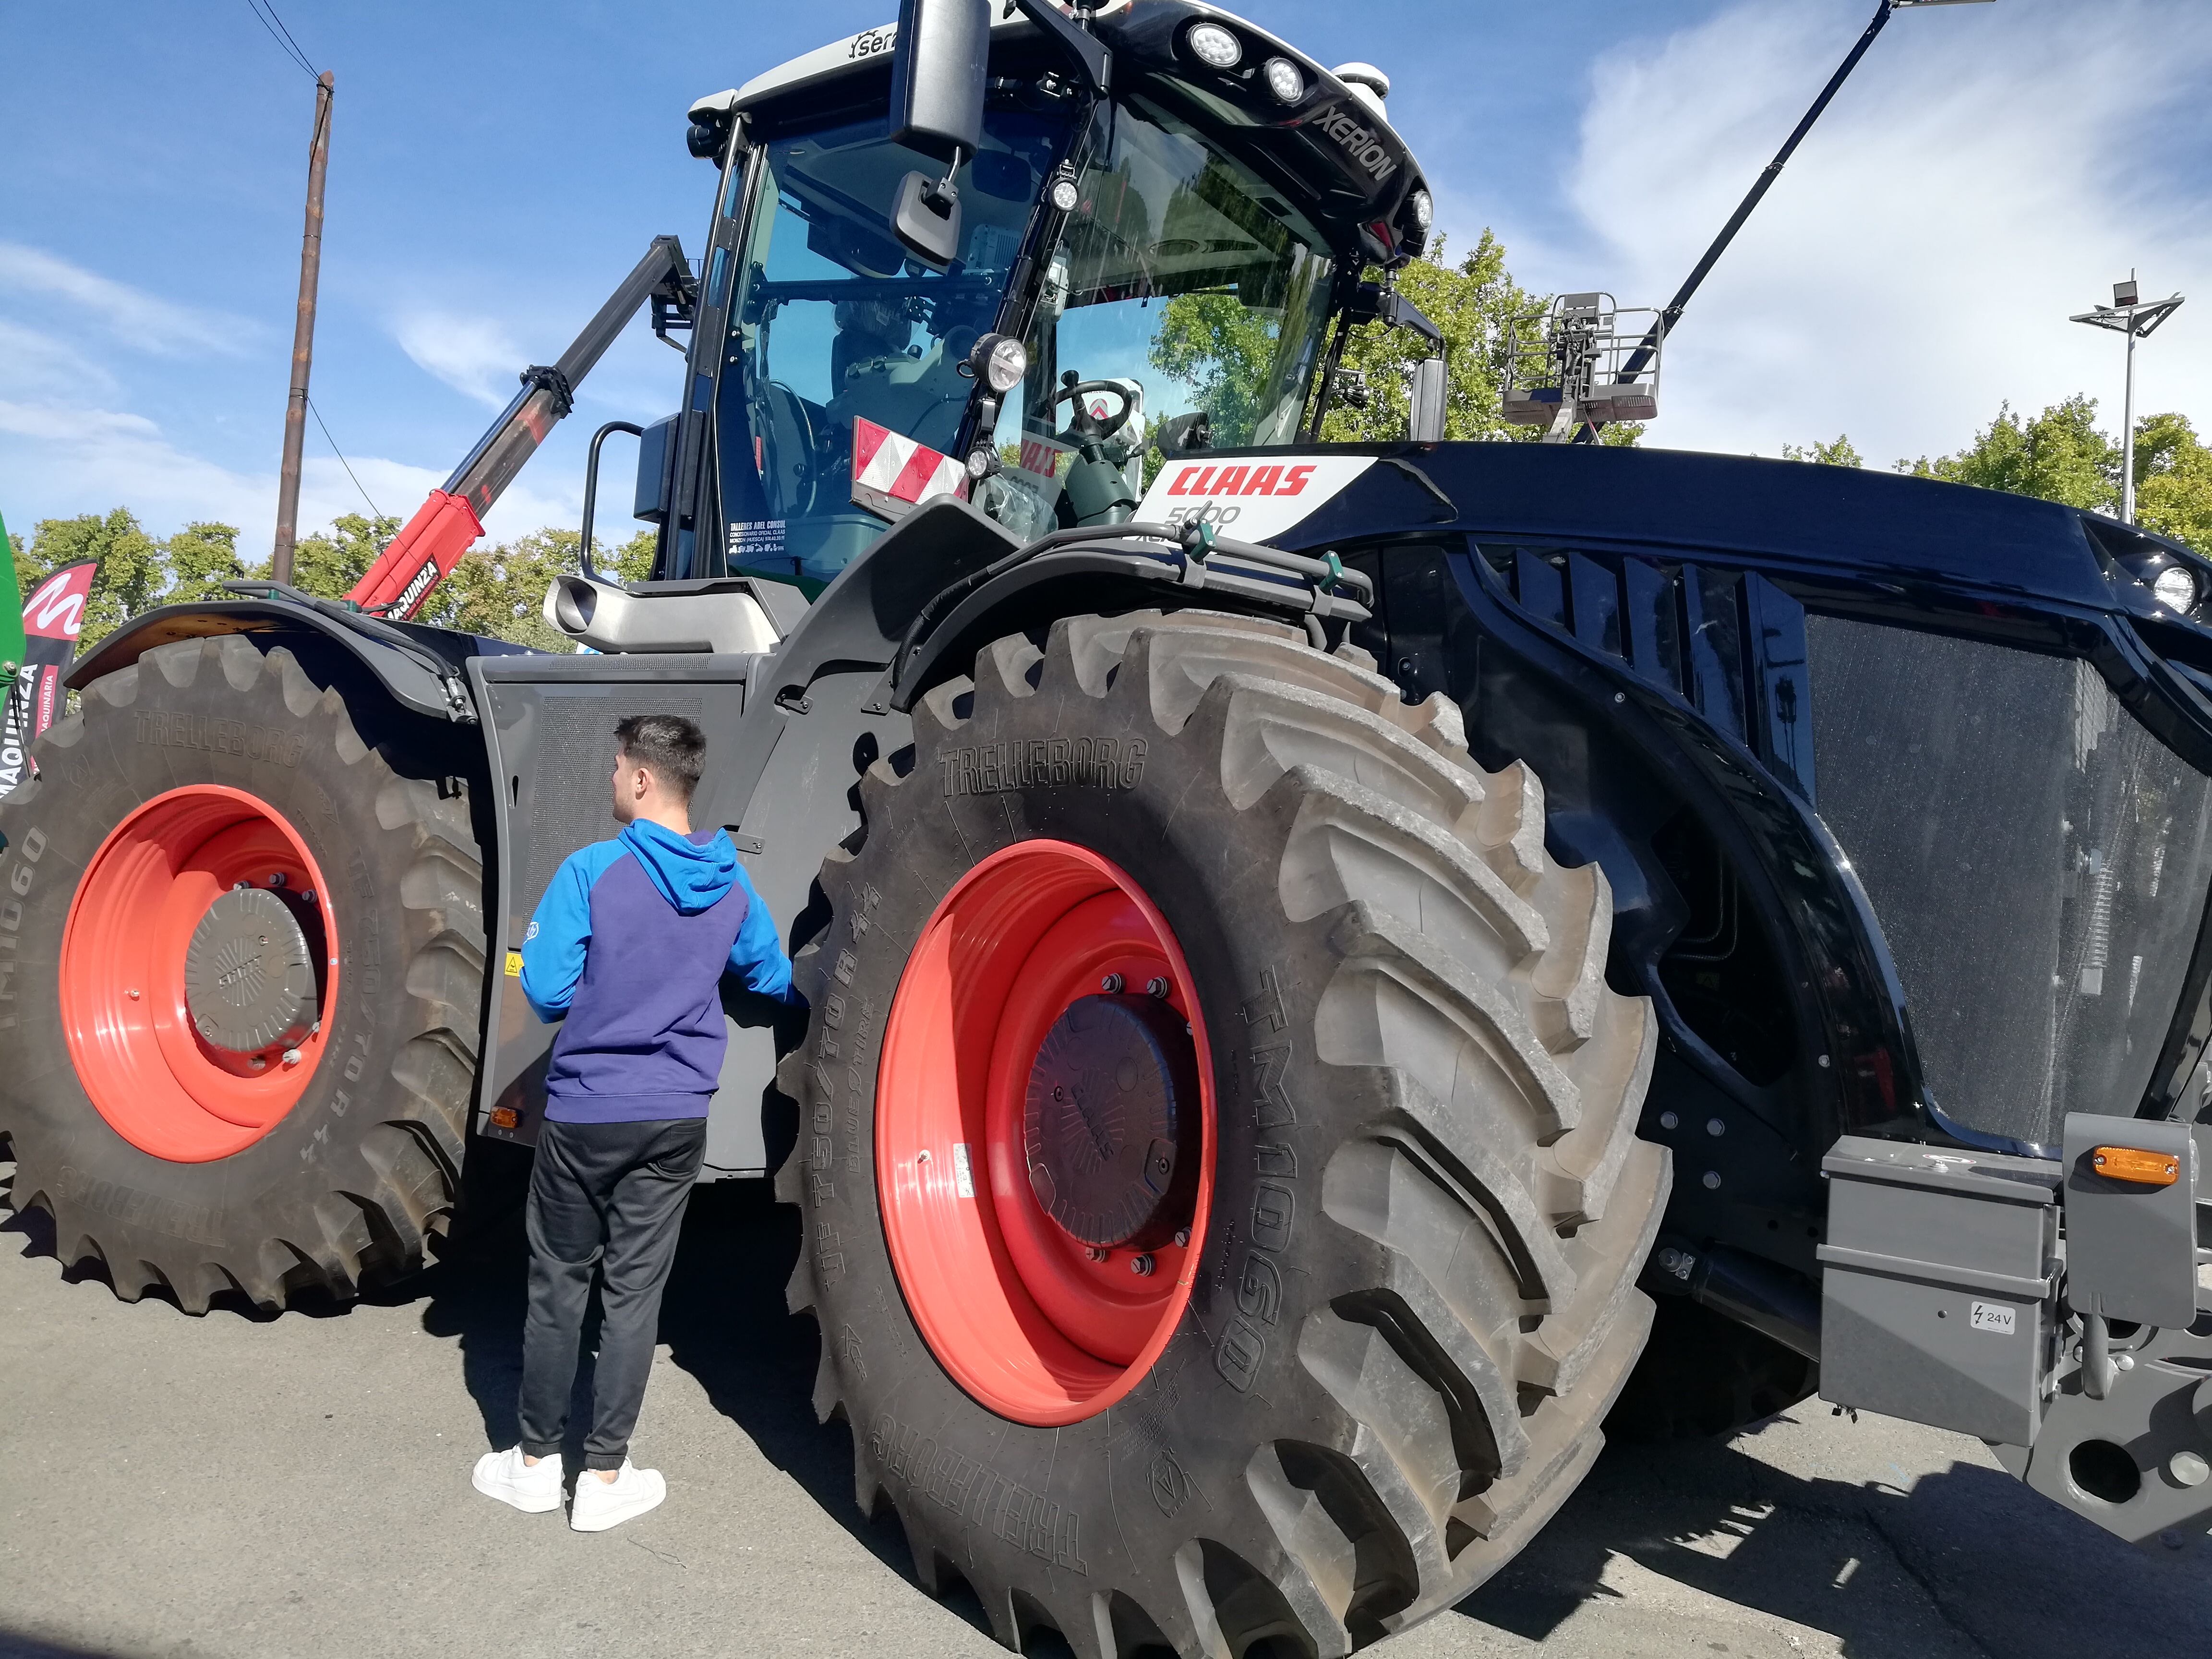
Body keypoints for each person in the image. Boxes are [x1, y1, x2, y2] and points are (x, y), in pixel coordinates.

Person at [471, 713, 796, 1532]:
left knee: (558, 1286)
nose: (612, 780)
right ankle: (606, 1480)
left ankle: (538, 1466)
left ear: (643, 778)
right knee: (634, 1294)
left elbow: (544, 990)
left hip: (585, 1113)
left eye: (617, 768)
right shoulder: (731, 884)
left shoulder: (591, 872)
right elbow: (770, 976)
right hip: (676, 1117)